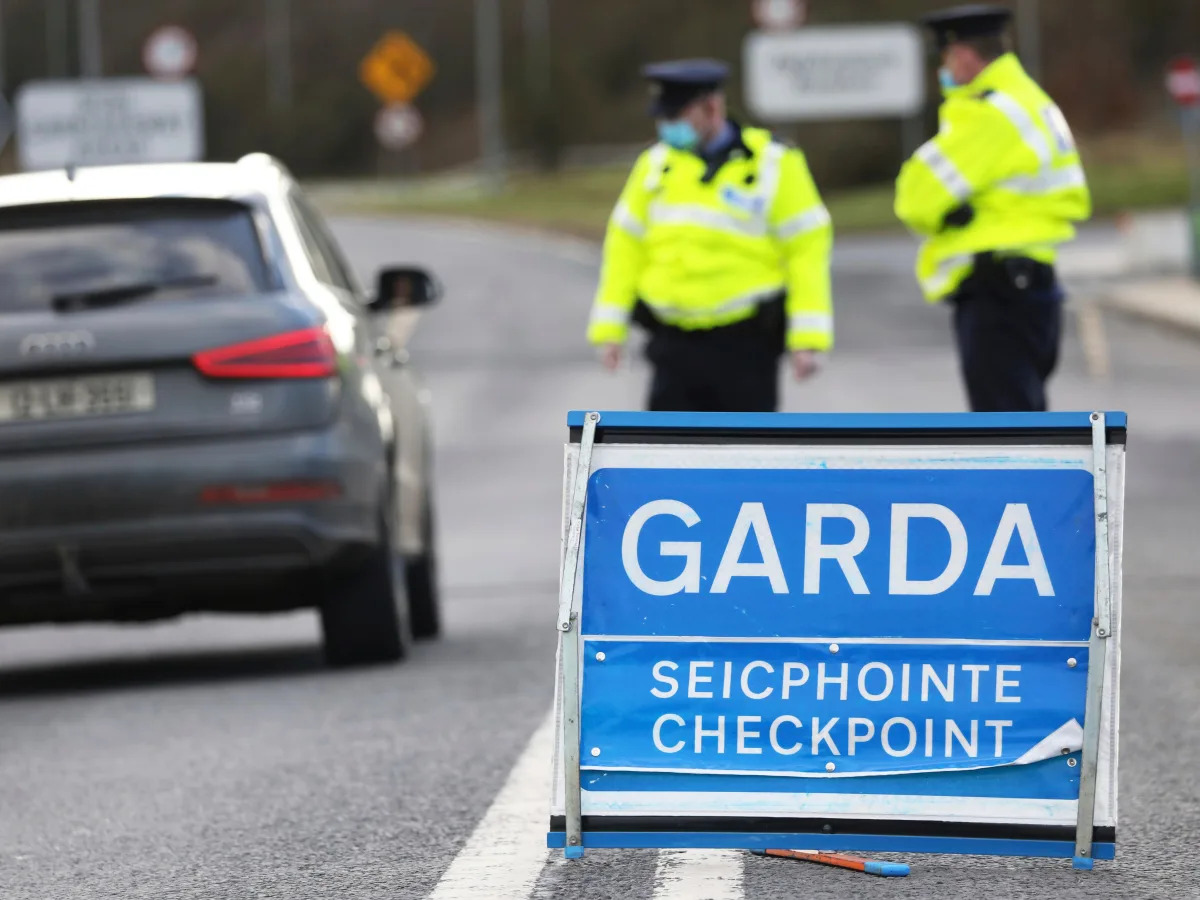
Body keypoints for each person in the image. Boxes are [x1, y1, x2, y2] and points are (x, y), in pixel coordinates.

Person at [586, 59, 834, 413]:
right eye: (664, 118)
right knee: (667, 463)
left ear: (712, 107)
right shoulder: (654, 167)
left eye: (678, 116)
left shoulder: (773, 164)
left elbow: (807, 251)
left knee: (745, 464)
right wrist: (609, 329)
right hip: (672, 347)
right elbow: (624, 247)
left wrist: (808, 339)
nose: (668, 127)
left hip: (747, 347)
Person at [895, 5, 1091, 412]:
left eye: (946, 57)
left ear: (965, 56)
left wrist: (949, 214)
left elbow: (914, 198)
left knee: (1005, 433)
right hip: (1035, 284)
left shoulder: (987, 112)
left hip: (997, 292)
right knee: (1026, 420)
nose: (944, 69)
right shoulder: (1031, 100)